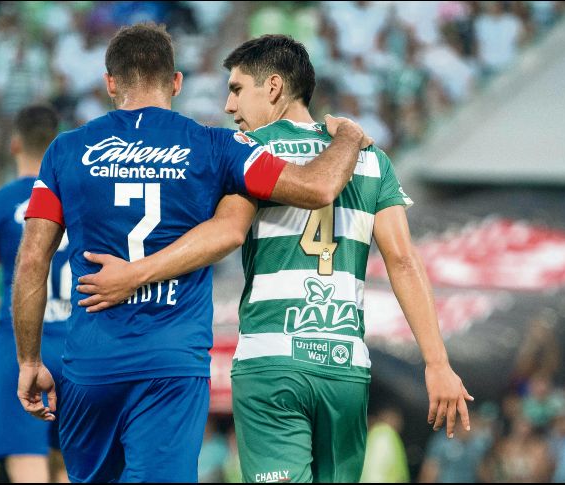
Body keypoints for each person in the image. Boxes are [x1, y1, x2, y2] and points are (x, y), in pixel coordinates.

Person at [76, 34, 473, 482]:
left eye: (237, 88)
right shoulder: (371, 159)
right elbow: (403, 260)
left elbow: (225, 233)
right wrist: (437, 363)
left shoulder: (247, 152)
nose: (229, 106)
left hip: (272, 362)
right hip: (345, 366)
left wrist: (133, 274)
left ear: (274, 88)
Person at [13, 23, 370, 484]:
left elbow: (30, 261)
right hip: (172, 364)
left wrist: (28, 360)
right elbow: (318, 187)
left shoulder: (64, 151)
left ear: (110, 82)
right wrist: (347, 137)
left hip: (90, 365)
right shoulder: (216, 146)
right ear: (176, 82)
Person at [0, 104, 69, 483]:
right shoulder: (79, 198)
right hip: (78, 344)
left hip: (19, 347)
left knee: (27, 463)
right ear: (57, 143)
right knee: (70, 464)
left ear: (15, 145)